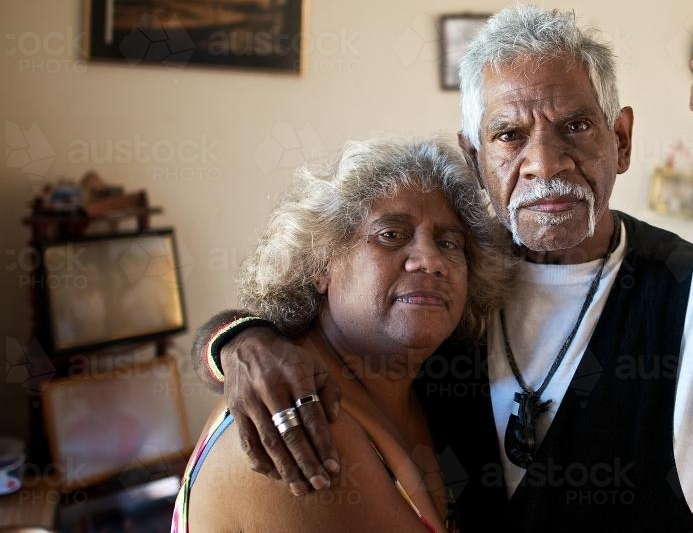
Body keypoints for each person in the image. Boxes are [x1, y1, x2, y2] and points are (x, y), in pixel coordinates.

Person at [190, 6, 693, 531]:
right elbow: (306, 303)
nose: (545, 162)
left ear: (621, 141)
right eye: (508, 135)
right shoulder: (443, 284)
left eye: (575, 126)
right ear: (475, 156)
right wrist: (242, 337)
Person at [174, 138, 514, 531]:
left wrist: (232, 336)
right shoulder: (297, 419)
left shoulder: (439, 382)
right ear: (321, 264)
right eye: (391, 234)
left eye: (448, 242)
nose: (430, 260)